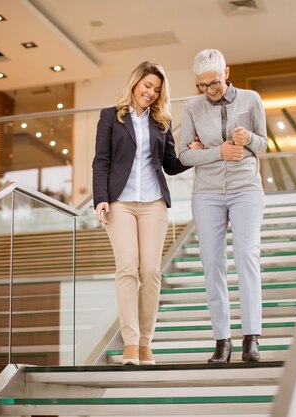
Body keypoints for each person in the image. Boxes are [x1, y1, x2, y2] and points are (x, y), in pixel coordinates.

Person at [92, 61, 200, 365]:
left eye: (157, 89)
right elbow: (101, 160)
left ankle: (146, 343)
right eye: (147, 85)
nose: (151, 93)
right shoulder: (110, 117)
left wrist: (190, 153)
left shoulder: (161, 121)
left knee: (151, 272)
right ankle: (130, 343)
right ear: (135, 82)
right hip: (120, 203)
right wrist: (100, 198)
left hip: (153, 203)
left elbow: (170, 165)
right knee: (127, 269)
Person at [179, 49, 268, 363]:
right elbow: (183, 155)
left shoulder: (251, 99)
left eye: (213, 84)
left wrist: (248, 141)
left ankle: (252, 339)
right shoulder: (192, 107)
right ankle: (222, 342)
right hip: (207, 193)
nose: (208, 91)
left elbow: (265, 143)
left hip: (246, 189)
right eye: (201, 86)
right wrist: (220, 152)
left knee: (247, 257)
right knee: (212, 264)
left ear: (226, 73)